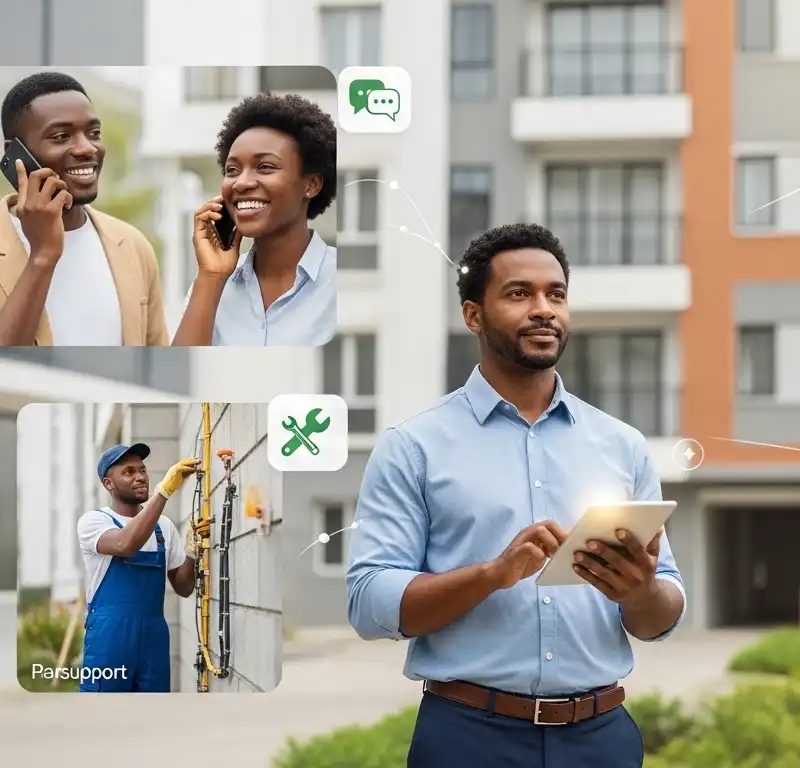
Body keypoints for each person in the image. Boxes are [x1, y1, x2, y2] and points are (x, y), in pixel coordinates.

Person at [347, 222, 686, 767]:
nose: (544, 309)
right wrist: (492, 575)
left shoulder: (622, 446)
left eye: (556, 294)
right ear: (473, 315)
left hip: (601, 741)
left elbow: (661, 614)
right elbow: (369, 603)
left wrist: (639, 590)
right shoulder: (414, 447)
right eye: (518, 294)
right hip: (467, 739)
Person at [0, 71, 167, 346]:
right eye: (61, 136)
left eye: (94, 133)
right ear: (15, 153)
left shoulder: (134, 247)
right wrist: (42, 256)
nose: (87, 148)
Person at [173, 93, 337, 346]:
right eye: (232, 170)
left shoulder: (338, 281)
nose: (242, 182)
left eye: (266, 167)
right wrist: (211, 278)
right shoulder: (211, 287)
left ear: (311, 184)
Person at [76, 444, 200, 692]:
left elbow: (184, 587)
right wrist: (163, 492)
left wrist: (193, 550)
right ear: (108, 483)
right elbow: (124, 544)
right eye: (129, 472)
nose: (140, 476)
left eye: (142, 470)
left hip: (154, 638)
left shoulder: (163, 527)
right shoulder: (94, 521)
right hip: (110, 637)